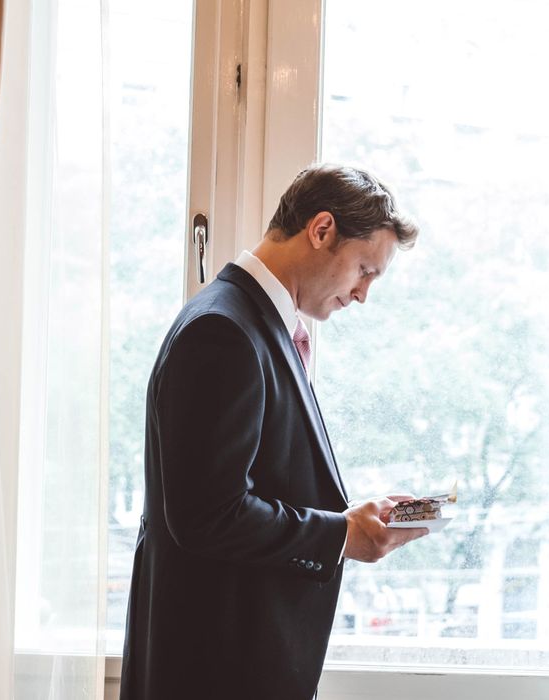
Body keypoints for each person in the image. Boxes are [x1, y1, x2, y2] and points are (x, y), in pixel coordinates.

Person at [120, 163, 427, 700]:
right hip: (214, 669)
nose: (362, 295)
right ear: (322, 229)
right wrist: (339, 536)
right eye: (364, 270)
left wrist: (347, 520)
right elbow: (206, 515)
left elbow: (259, 481)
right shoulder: (223, 331)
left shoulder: (253, 323)